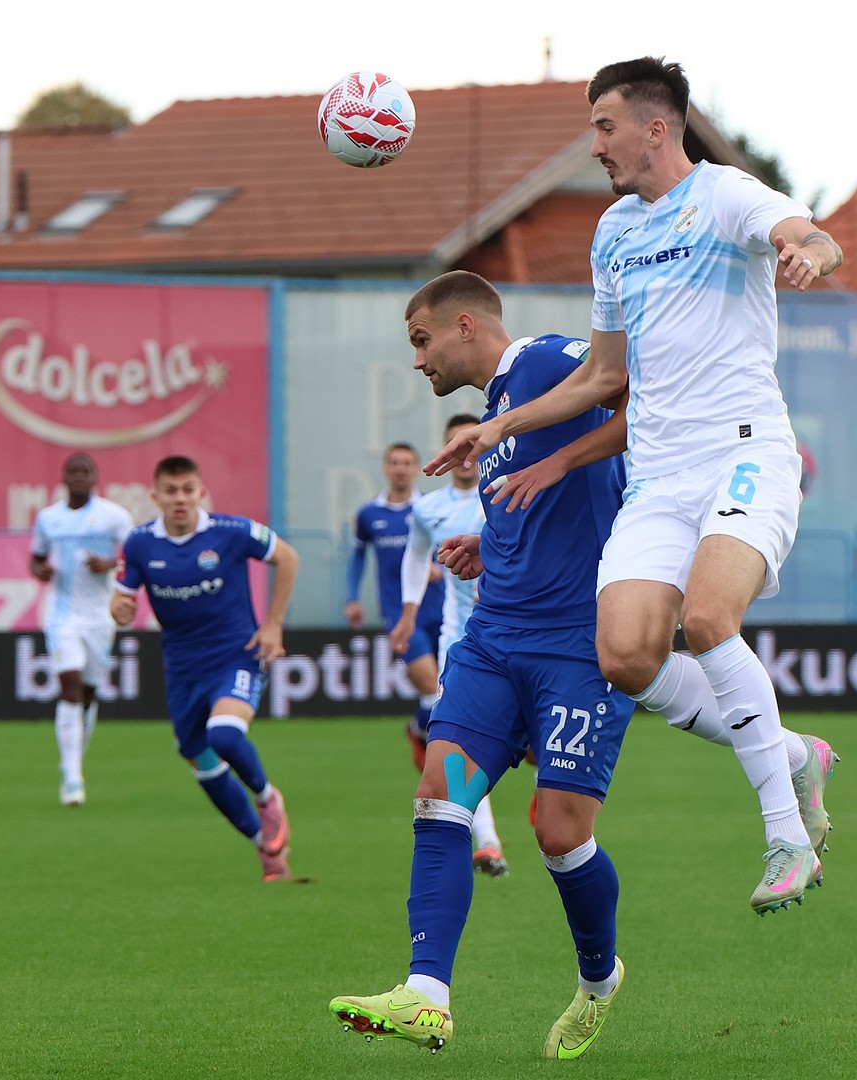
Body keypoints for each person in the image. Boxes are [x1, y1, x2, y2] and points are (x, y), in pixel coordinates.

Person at [426, 56, 843, 916]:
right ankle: (796, 756)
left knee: (709, 618)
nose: (594, 146)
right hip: (656, 479)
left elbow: (811, 235)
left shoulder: (725, 194)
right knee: (623, 657)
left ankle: (786, 836)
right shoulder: (614, 231)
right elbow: (602, 377)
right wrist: (504, 429)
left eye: (604, 126)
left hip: (744, 453)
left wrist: (807, 252)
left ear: (657, 128)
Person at [330, 271, 635, 1060]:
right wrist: (490, 546)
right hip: (494, 639)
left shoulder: (543, 362)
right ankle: (426, 995)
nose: (417, 360)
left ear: (465, 325)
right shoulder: (498, 408)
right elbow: (536, 509)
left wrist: (561, 464)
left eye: (421, 341)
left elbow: (636, 393)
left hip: (578, 645)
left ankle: (599, 979)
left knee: (559, 834)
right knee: (439, 798)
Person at [111, 455, 300, 881]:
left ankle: (267, 799)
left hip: (236, 655)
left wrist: (272, 625)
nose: (180, 499)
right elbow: (121, 598)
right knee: (202, 763)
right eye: (171, 491)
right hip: (181, 668)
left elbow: (288, 558)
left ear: (201, 493)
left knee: (225, 735)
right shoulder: (139, 543)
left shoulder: (232, 531)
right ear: (155, 496)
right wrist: (119, 609)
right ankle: (267, 849)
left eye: (188, 490)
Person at [392, 414, 507, 877]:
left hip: (516, 633)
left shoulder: (508, 490)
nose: (464, 453)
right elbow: (415, 556)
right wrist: (407, 613)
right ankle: (488, 841)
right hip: (459, 640)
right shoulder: (428, 509)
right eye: (453, 444)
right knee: (461, 739)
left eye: (470, 442)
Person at [28, 453, 134, 807]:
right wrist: (40, 571)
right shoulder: (48, 519)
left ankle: (73, 759)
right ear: (63, 478)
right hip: (62, 614)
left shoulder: (114, 517)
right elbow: (36, 559)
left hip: (101, 615)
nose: (78, 477)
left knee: (88, 693)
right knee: (70, 687)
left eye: (84, 472)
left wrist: (111, 564)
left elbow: (136, 556)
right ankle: (72, 776)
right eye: (72, 472)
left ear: (95, 478)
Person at [345, 445, 447, 765]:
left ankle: (417, 728)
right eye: (394, 463)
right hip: (400, 616)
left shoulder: (430, 508)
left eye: (407, 463)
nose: (400, 468)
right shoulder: (368, 514)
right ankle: (428, 739)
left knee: (445, 693)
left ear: (417, 468)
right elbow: (358, 555)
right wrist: (352, 597)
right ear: (385, 469)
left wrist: (439, 568)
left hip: (441, 611)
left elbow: (453, 546)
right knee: (431, 688)